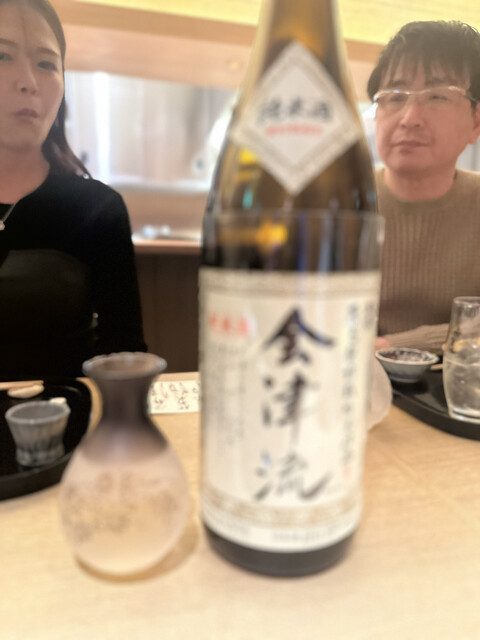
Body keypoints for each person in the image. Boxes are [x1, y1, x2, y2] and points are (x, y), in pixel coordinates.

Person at [0, 0, 146, 379]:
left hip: (68, 414)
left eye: (46, 64)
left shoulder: (96, 208)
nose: (28, 82)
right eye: (3, 56)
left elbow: (124, 355)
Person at [367, 20, 480, 353]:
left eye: (437, 97)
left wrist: (392, 345)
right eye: (394, 97)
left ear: (476, 122)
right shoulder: (340, 200)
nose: (410, 118)